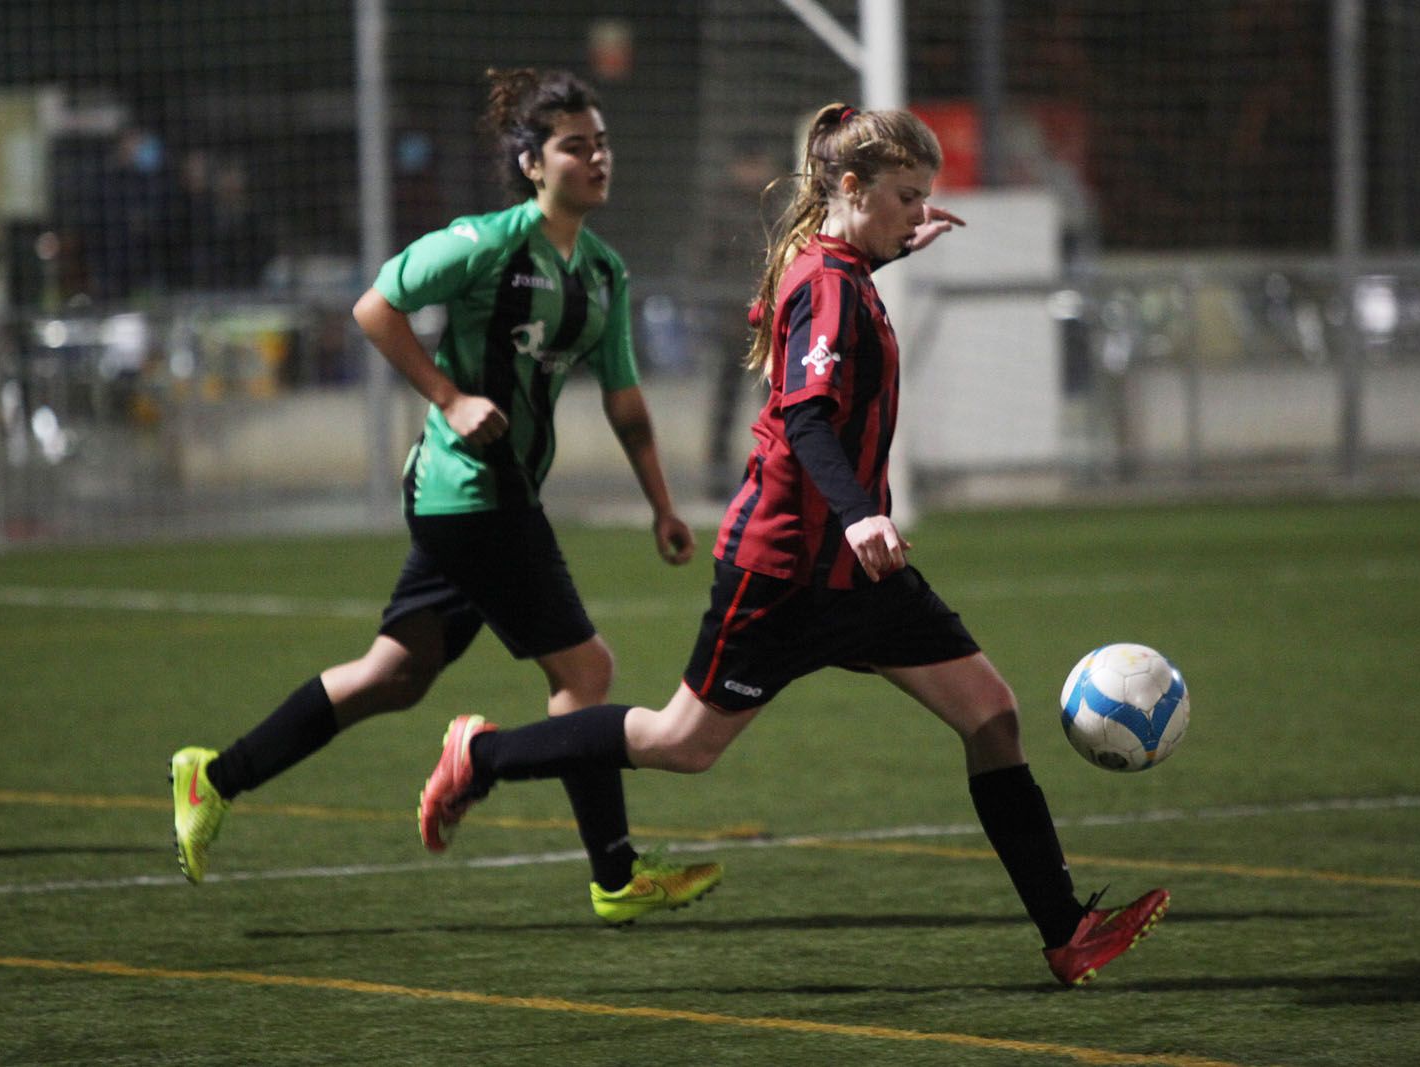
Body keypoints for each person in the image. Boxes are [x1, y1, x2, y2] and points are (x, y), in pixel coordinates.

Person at [415, 102, 1169, 986]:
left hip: (861, 577)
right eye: (903, 197)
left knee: (991, 713)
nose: (916, 213)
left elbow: (847, 299)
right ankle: (484, 755)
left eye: (924, 198)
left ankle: (1065, 931)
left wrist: (895, 240)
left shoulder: (844, 261)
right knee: (681, 743)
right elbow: (808, 420)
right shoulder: (828, 283)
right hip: (784, 571)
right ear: (849, 188)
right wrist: (860, 513)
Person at [171, 67, 723, 924]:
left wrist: (661, 503)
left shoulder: (606, 272)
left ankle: (215, 775)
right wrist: (449, 397)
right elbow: (375, 306)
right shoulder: (485, 243)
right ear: (533, 163)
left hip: (488, 499)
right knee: (587, 670)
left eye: (603, 142)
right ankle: (614, 872)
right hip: (471, 493)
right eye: (578, 146)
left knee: (397, 675)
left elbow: (625, 400)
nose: (598, 157)